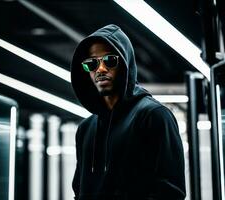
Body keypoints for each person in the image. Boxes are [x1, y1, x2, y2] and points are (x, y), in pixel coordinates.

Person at [70, 24, 186, 200]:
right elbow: (80, 191)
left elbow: (170, 192)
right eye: (92, 63)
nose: (100, 69)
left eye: (109, 60)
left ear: (125, 63)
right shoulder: (86, 129)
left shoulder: (154, 116)